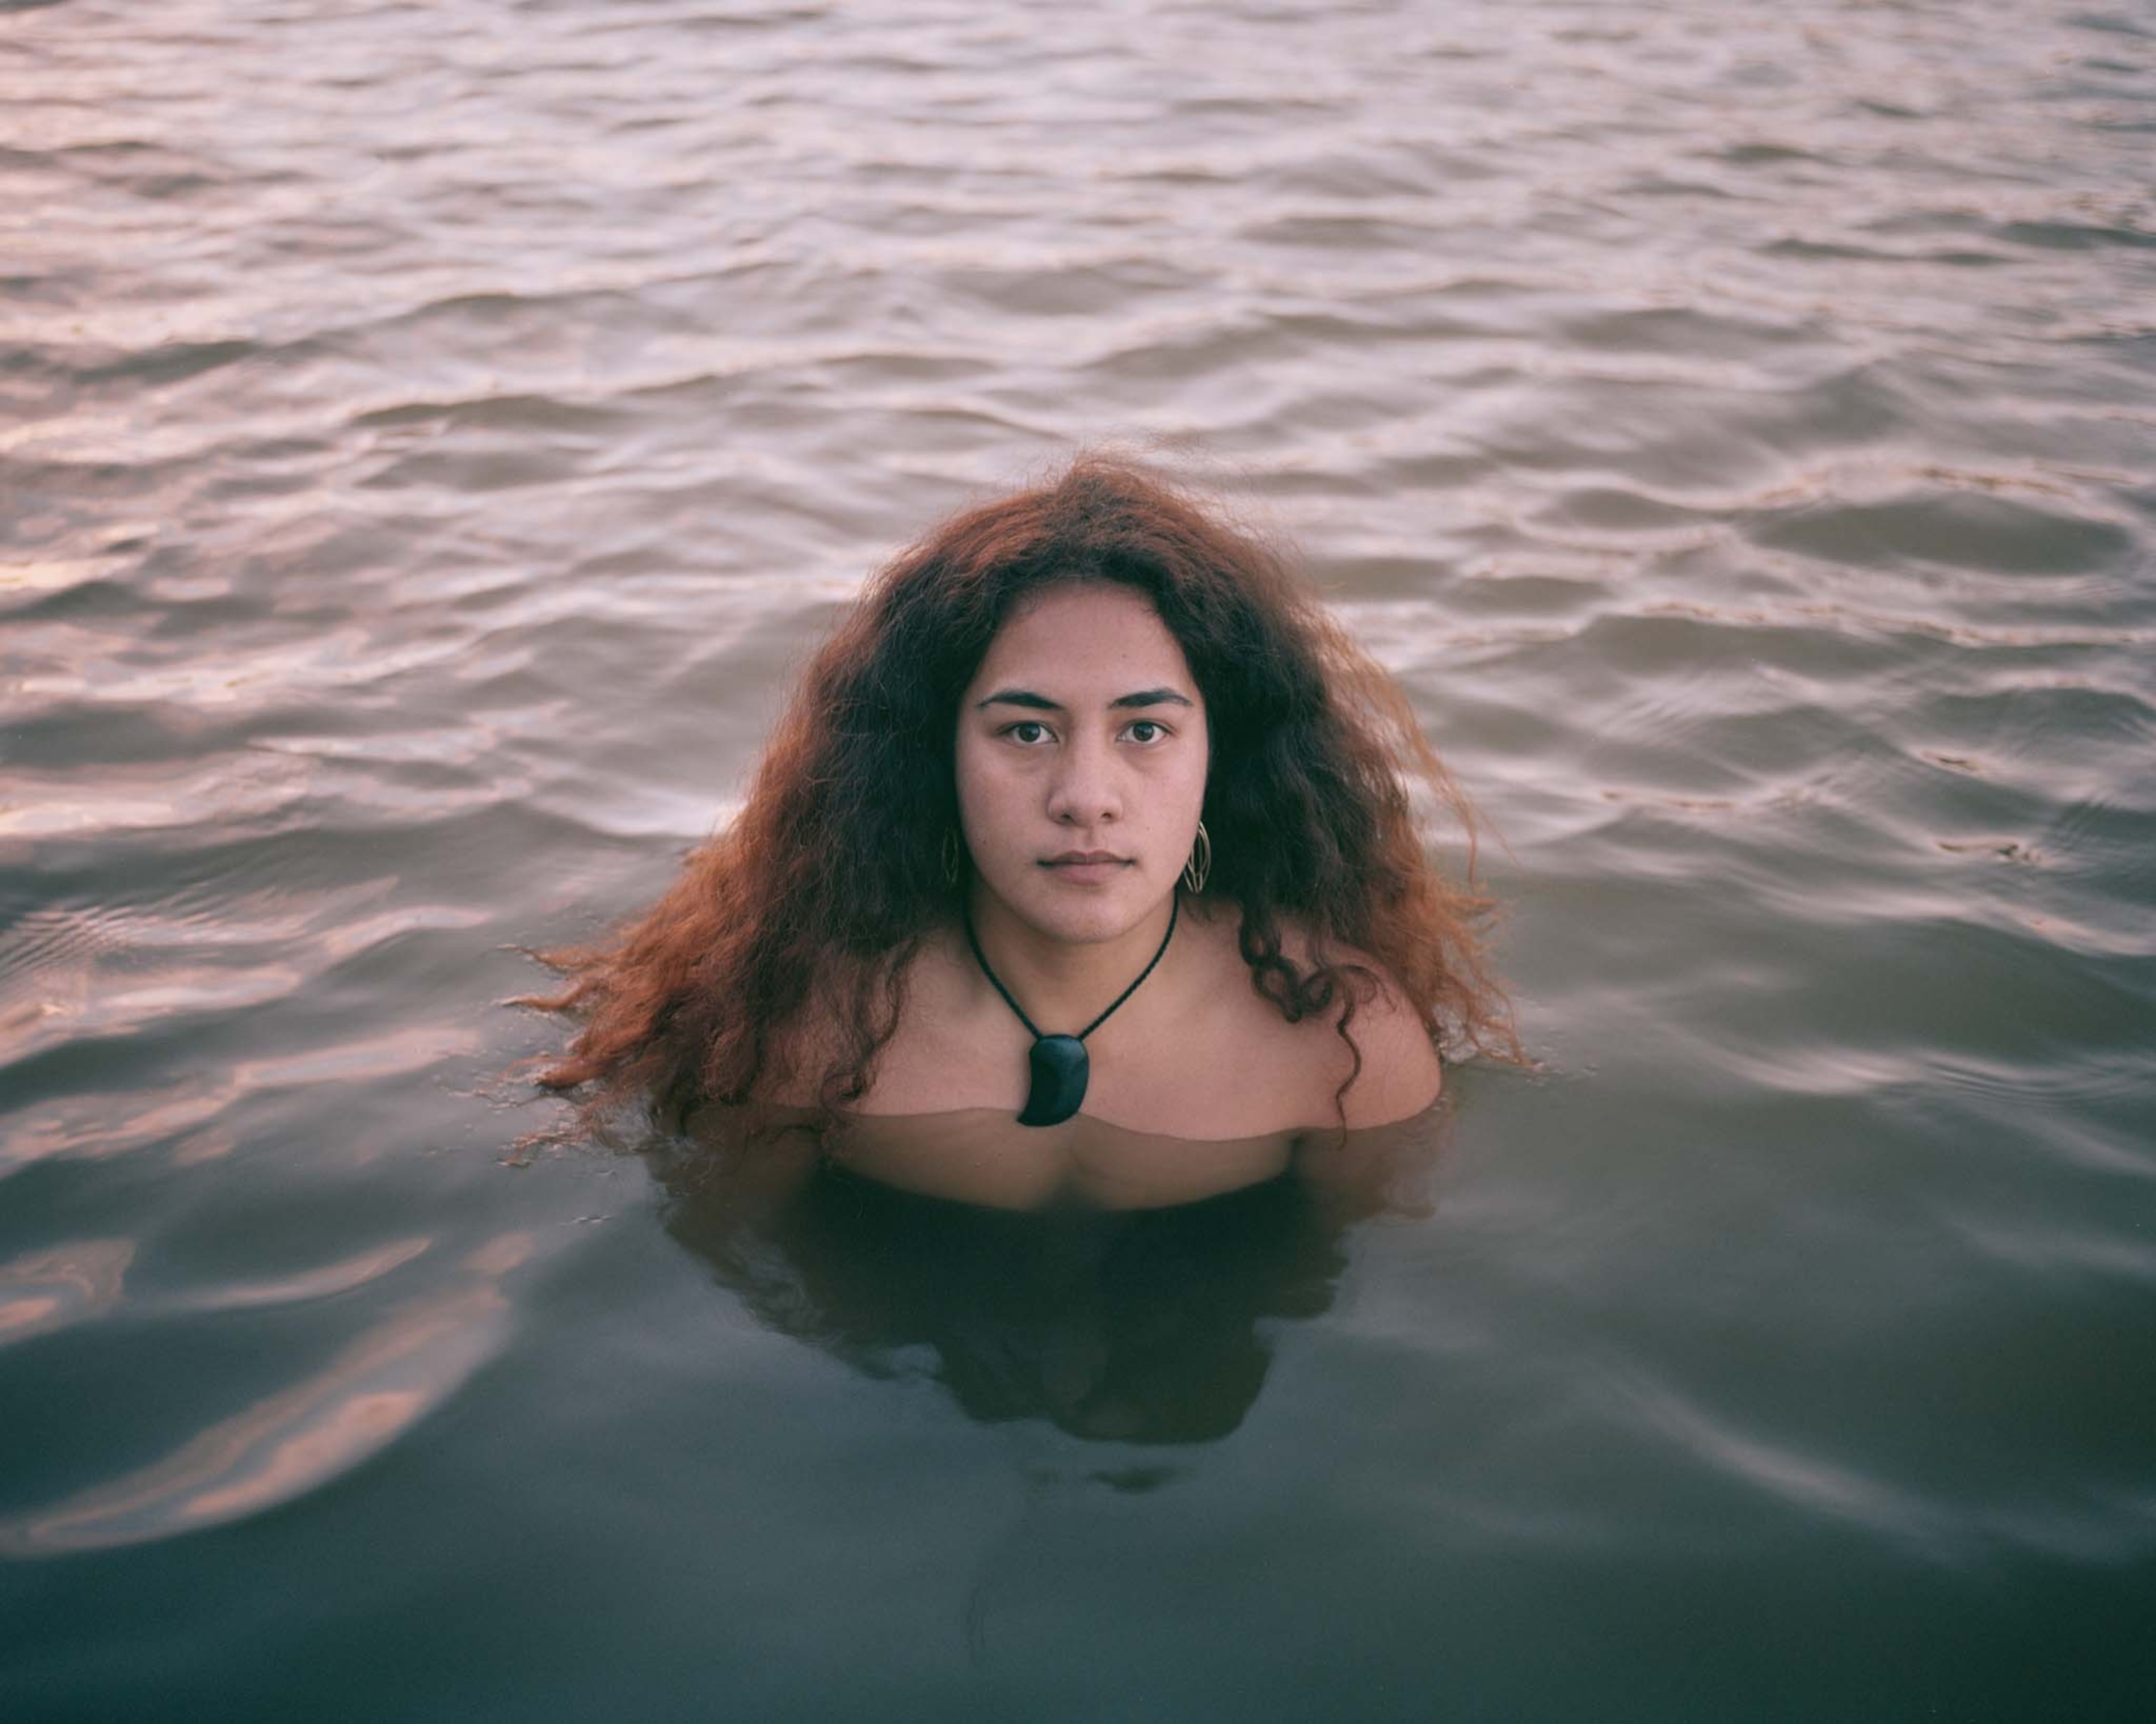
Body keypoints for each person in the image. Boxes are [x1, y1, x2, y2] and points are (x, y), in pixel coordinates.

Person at [526, 454, 1516, 1211]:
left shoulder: (1342, 1043)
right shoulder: (798, 1023)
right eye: (1027, 730)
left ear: (1225, 753)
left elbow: (1364, 1334)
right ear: (933, 753)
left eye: (1145, 730)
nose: (1087, 794)